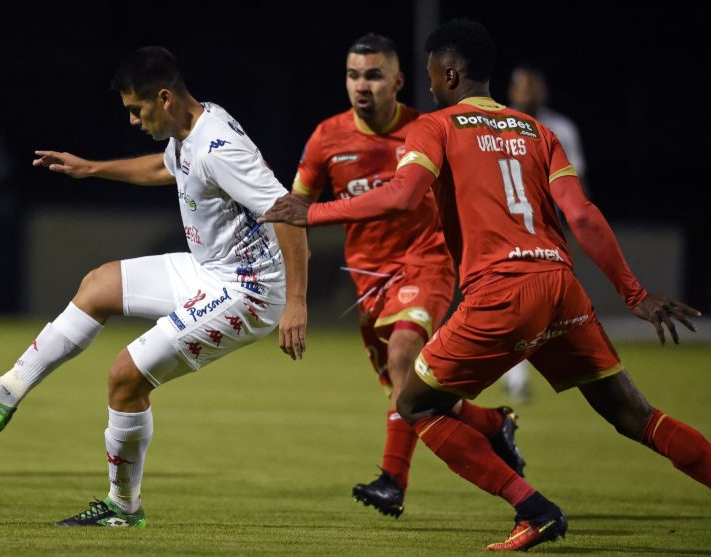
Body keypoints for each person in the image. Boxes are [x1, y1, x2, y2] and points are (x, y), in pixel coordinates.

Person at [262, 19, 709, 551]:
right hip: (560, 286)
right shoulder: (536, 131)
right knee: (637, 416)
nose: (430, 83)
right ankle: (501, 440)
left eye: (432, 72)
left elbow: (402, 196)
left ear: (450, 73)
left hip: (502, 292)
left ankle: (534, 509)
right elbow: (582, 216)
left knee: (414, 404)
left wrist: (313, 213)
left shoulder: (436, 126)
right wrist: (635, 293)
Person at [0, 46, 308, 528]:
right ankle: (2, 396)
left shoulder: (220, 147)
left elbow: (288, 213)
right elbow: (166, 167)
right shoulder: (192, 127)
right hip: (210, 269)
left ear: (165, 98)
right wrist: (91, 168)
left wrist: (296, 303)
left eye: (136, 109)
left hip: (249, 290)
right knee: (99, 285)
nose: (132, 120)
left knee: (125, 376)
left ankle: (122, 507)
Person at [293, 33, 523, 518]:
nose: (362, 85)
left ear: (397, 82)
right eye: (354, 75)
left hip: (427, 262)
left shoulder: (428, 130)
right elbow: (296, 206)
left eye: (374, 76)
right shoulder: (327, 137)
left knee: (403, 353)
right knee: (411, 393)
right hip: (368, 280)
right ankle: (491, 424)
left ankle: (393, 481)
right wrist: (292, 279)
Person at [504, 61, 590, 402]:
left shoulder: (561, 129)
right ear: (511, 91)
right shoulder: (495, 125)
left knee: (542, 307)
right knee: (515, 303)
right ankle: (516, 376)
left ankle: (572, 365)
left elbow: (577, 183)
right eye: (522, 85)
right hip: (504, 228)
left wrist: (581, 224)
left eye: (533, 85)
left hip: (546, 230)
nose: (528, 92)